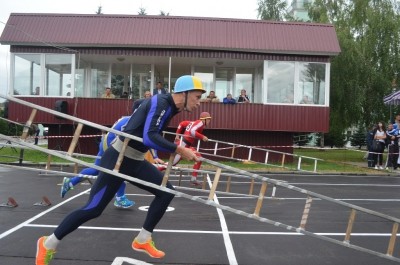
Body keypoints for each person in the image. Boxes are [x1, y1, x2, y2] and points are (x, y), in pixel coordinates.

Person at [36, 75, 206, 264]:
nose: (199, 103)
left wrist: (138, 114)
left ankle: (143, 239)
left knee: (166, 192)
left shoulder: (167, 105)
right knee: (93, 209)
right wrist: (179, 149)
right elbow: (150, 138)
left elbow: (140, 104)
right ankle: (47, 243)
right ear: (184, 93)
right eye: (197, 97)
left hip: (135, 160)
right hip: (117, 159)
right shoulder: (163, 104)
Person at [60, 116, 135, 208]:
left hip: (107, 144)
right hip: (110, 146)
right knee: (118, 173)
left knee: (96, 170)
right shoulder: (131, 121)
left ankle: (70, 182)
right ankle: (120, 198)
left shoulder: (129, 119)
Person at [162, 112, 212, 186]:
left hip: (185, 145)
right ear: (204, 119)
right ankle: (154, 169)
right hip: (183, 145)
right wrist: (202, 137)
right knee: (172, 164)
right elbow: (192, 132)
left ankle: (193, 179)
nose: (209, 121)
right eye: (208, 119)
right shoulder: (200, 123)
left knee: (198, 158)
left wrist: (177, 135)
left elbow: (182, 123)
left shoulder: (194, 123)